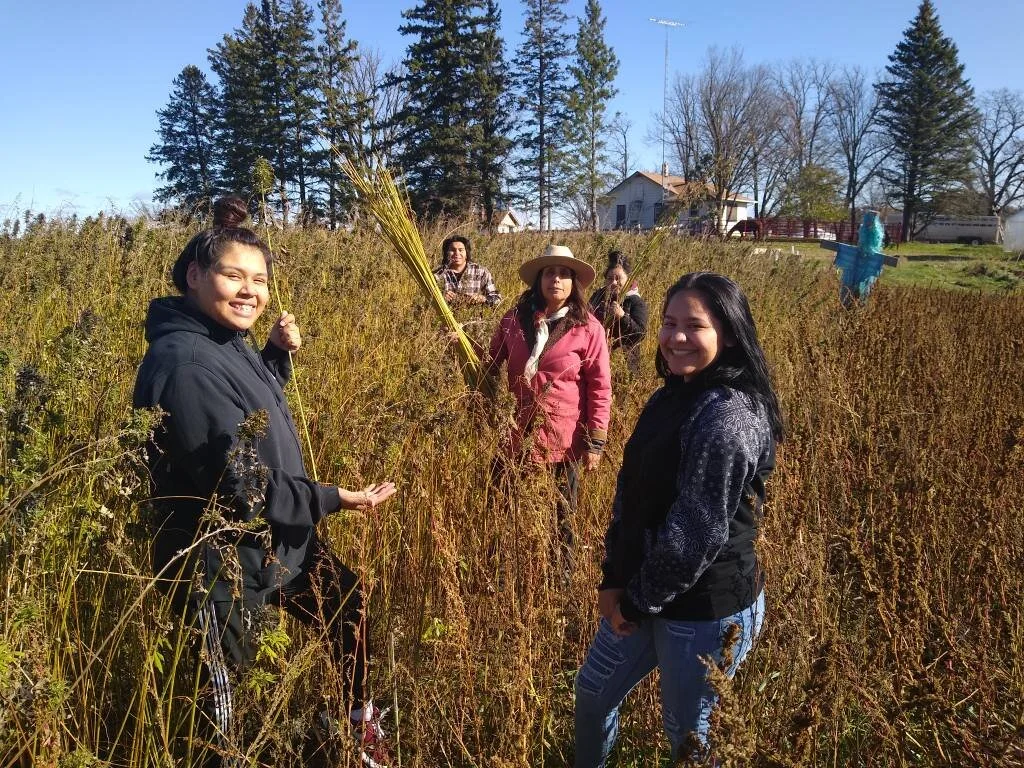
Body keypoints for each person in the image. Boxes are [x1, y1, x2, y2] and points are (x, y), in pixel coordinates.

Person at [132, 196, 397, 768]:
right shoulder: (185, 364)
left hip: (279, 545)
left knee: (349, 610)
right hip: (222, 567)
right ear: (195, 276)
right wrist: (333, 500)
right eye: (234, 275)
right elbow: (243, 485)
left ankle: (357, 733)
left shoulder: (224, 341)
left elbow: (245, 415)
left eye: (259, 279)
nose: (249, 290)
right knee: (228, 713)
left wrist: (273, 358)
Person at [574, 272, 784, 766]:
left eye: (695, 326)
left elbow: (695, 534)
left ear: (729, 334)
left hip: (702, 611)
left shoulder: (728, 416)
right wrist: (615, 578)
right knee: (592, 695)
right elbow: (632, 493)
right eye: (669, 323)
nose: (676, 337)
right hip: (643, 591)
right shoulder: (670, 395)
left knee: (689, 743)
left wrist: (636, 601)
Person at [485, 244, 611, 570]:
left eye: (565, 274)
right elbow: (490, 362)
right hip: (514, 433)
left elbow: (600, 387)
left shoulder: (589, 328)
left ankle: (560, 582)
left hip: (562, 440)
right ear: (539, 279)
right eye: (550, 272)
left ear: (574, 284)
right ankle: (498, 573)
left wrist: (595, 442)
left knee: (561, 518)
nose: (557, 279)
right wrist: (460, 346)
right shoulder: (514, 319)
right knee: (498, 506)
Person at [588, 250, 649, 375]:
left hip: (623, 365)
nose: (614, 283)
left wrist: (622, 316)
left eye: (618, 278)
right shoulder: (598, 295)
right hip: (594, 358)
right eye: (610, 278)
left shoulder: (635, 301)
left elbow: (640, 334)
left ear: (629, 279)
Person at [433, 234, 502, 307]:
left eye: (461, 250)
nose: (457, 253)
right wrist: (440, 297)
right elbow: (426, 299)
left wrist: (482, 299)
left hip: (473, 317)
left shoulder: (480, 272)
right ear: (447, 253)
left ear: (466, 253)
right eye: (452, 250)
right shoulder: (438, 274)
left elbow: (497, 298)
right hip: (444, 316)